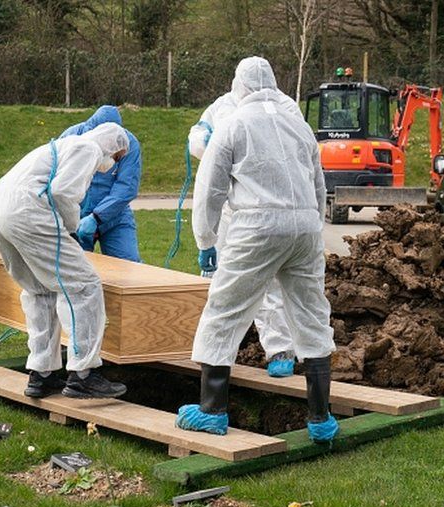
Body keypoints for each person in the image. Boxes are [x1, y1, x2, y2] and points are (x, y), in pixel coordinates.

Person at [176, 57, 339, 443]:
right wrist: (312, 227)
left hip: (257, 227)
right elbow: (318, 186)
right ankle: (320, 417)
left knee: (225, 309)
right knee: (313, 315)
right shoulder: (298, 124)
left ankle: (212, 410)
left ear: (239, 87)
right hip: (303, 228)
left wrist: (206, 241)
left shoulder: (233, 124)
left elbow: (209, 191)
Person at [0, 123, 130, 399]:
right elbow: (64, 193)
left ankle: (41, 374)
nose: (113, 164)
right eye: (116, 157)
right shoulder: (88, 148)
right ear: (111, 146)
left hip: (1, 211)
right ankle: (83, 375)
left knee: (40, 290)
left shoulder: (61, 146)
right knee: (83, 286)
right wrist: (72, 230)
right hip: (30, 212)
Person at [188, 89, 301, 378]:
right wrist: (206, 144)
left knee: (270, 282)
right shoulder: (223, 104)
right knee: (219, 281)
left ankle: (279, 348)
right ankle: (210, 351)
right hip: (232, 208)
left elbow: (300, 147)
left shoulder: (284, 106)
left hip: (267, 207)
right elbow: (197, 136)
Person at [59, 106, 142, 262]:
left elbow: (126, 187)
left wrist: (97, 217)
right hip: (76, 217)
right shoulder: (73, 136)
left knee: (129, 266)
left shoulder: (128, 144)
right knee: (74, 268)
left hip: (114, 217)